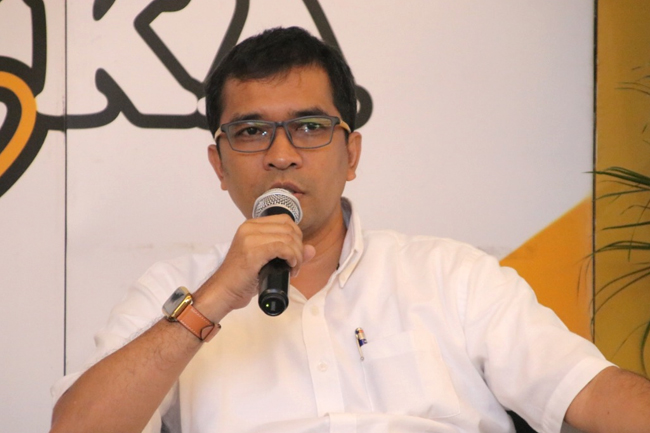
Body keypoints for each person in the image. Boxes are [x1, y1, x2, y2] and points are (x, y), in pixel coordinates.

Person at [50, 26, 650, 433]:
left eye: (309, 127)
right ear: (219, 165)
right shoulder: (175, 290)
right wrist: (214, 299)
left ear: (352, 154)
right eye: (252, 132)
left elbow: (590, 392)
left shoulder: (452, 276)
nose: (281, 155)